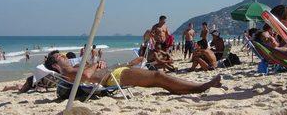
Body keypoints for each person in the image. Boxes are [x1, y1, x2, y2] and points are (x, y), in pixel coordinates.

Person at [44, 51, 222, 95]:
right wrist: (96, 64)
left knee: (157, 79)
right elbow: (86, 77)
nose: (64, 56)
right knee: (158, 77)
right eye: (59, 56)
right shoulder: (67, 72)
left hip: (114, 72)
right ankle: (200, 87)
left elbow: (88, 72)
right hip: (113, 77)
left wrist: (97, 63)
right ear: (55, 66)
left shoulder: (71, 68)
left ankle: (190, 88)